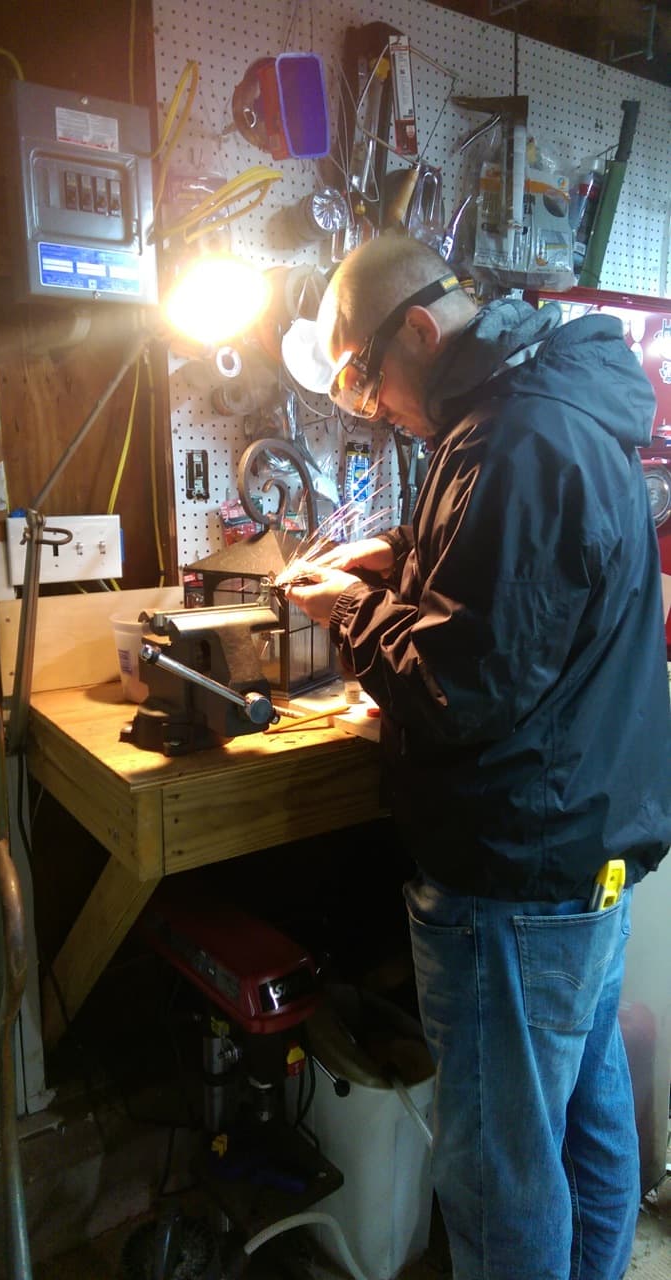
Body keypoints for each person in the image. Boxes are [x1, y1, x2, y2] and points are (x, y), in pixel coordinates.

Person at [278, 234, 671, 1280]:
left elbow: (464, 684)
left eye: (364, 380)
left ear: (416, 329)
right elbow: (515, 593)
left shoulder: (516, 438)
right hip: (578, 854)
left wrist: (352, 607)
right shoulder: (545, 406)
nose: (369, 407)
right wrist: (399, 558)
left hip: (513, 874)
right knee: (584, 1131)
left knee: (499, 1178)